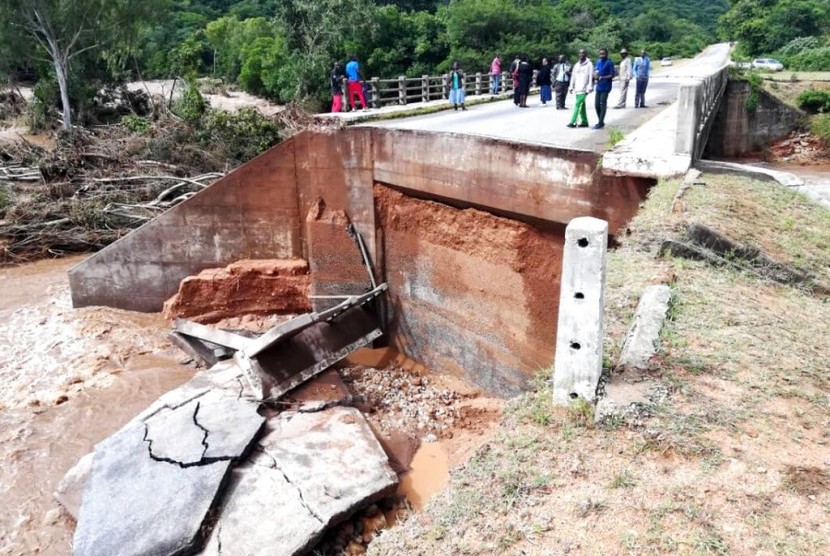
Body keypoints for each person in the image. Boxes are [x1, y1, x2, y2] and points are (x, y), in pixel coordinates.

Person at [567, 49, 593, 128]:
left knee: (578, 105)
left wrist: (589, 87)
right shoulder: (576, 65)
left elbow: (591, 76)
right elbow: (573, 76)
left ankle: (573, 122)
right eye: (580, 53)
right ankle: (584, 122)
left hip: (584, 89)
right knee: (582, 106)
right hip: (577, 88)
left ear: (586, 54)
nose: (581, 55)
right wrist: (571, 86)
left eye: (583, 53)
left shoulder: (589, 65)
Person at [593, 47, 614, 129]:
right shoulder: (598, 62)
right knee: (596, 105)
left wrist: (602, 77)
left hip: (606, 86)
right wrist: (595, 75)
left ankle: (600, 122)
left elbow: (612, 75)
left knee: (603, 104)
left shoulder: (609, 63)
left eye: (603, 54)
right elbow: (596, 70)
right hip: (598, 86)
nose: (601, 55)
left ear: (607, 54)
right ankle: (601, 121)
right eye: (600, 54)